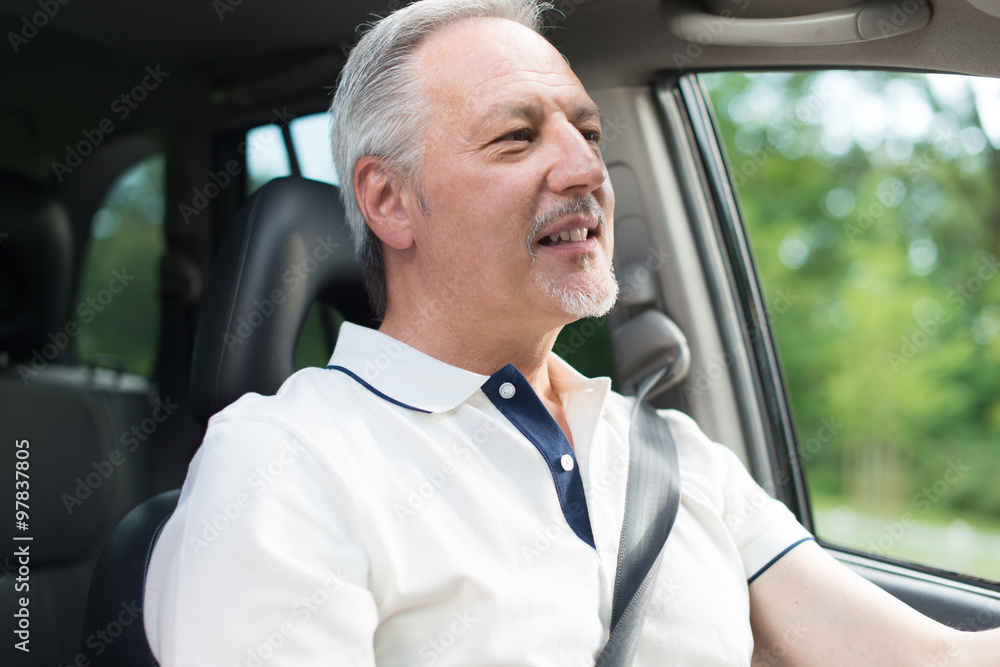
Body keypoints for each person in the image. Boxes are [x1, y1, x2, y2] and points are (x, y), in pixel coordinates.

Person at [144, 0, 1000, 664]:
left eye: (587, 132)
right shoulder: (283, 461)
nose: (587, 167)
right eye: (517, 138)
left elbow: (931, 655)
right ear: (388, 202)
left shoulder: (677, 453)